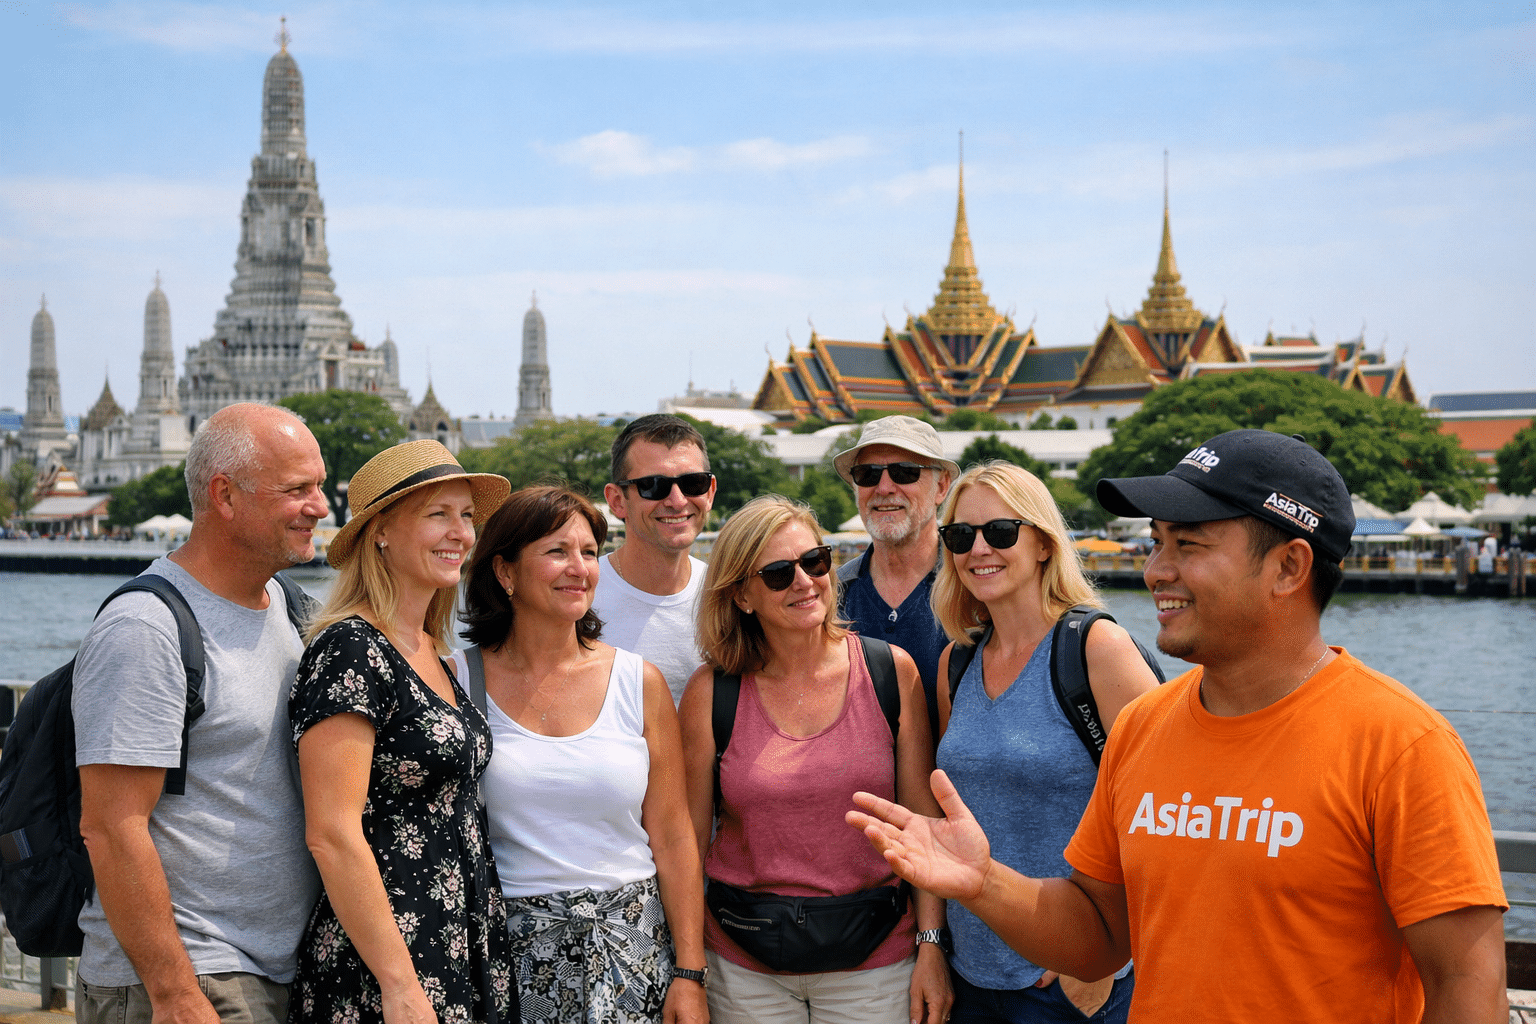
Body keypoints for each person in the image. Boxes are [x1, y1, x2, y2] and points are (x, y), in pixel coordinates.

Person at [850, 430, 1510, 1022]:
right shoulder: (1145, 727)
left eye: (1188, 545)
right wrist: (984, 883)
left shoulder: (1400, 745)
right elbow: (1100, 932)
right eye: (1157, 542)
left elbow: (1463, 985)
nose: (1156, 570)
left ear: (1289, 567)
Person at [74, 403, 328, 1024]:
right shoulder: (146, 629)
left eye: (319, 485)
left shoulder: (290, 609)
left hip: (277, 970)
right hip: (191, 979)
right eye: (298, 489)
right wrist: (174, 993)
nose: (321, 507)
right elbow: (111, 826)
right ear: (225, 496)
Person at [678, 495, 951, 1024]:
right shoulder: (712, 694)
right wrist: (688, 971)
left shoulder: (891, 673)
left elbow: (924, 826)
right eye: (779, 573)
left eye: (815, 561)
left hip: (875, 963)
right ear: (742, 596)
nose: (804, 582)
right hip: (744, 967)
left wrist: (932, 945)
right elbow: (687, 841)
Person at [286, 440, 517, 1024]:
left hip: (459, 937)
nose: (461, 534)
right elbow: (332, 833)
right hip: (388, 954)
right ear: (381, 532)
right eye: (438, 514)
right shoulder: (351, 648)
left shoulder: (430, 651)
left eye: (466, 516)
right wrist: (400, 984)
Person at [457, 485, 707, 1024]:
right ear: (505, 573)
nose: (579, 568)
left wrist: (689, 972)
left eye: (590, 552)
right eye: (556, 552)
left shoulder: (639, 681)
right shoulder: (454, 680)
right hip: (510, 958)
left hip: (634, 950)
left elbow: (672, 834)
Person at [930, 462, 1158, 1023]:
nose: (978, 548)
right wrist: (932, 945)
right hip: (970, 971)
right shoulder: (956, 663)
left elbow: (1164, 811)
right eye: (960, 536)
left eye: (1000, 531)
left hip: (1069, 980)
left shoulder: (1096, 649)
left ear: (1042, 543)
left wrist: (1101, 958)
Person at [831, 415, 957, 746]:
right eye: (868, 475)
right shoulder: (829, 597)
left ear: (941, 486)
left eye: (905, 472)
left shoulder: (973, 588)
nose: (885, 488)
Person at [595, 414, 717, 704]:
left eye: (693, 483)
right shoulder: (579, 598)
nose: (677, 500)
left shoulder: (730, 594)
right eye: (653, 485)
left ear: (710, 492)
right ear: (617, 501)